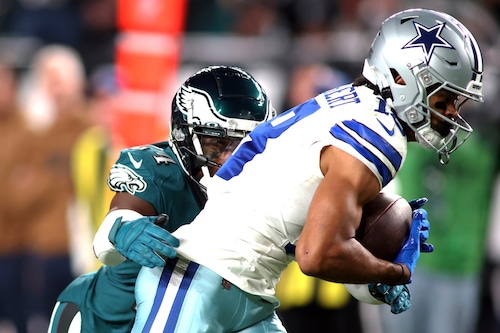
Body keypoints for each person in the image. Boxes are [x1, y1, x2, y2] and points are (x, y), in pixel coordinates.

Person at [123, 8, 484, 332]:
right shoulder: (379, 133)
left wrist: (369, 264)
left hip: (247, 291)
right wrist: (395, 272)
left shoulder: (355, 107)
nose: (453, 113)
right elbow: (317, 255)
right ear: (403, 78)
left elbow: (299, 229)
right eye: (446, 97)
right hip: (197, 280)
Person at [47, 65, 276, 332]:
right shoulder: (158, 169)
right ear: (184, 136)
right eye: (217, 145)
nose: (230, 158)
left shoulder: (267, 177)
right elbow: (114, 227)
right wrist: (123, 229)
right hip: (109, 319)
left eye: (244, 145)